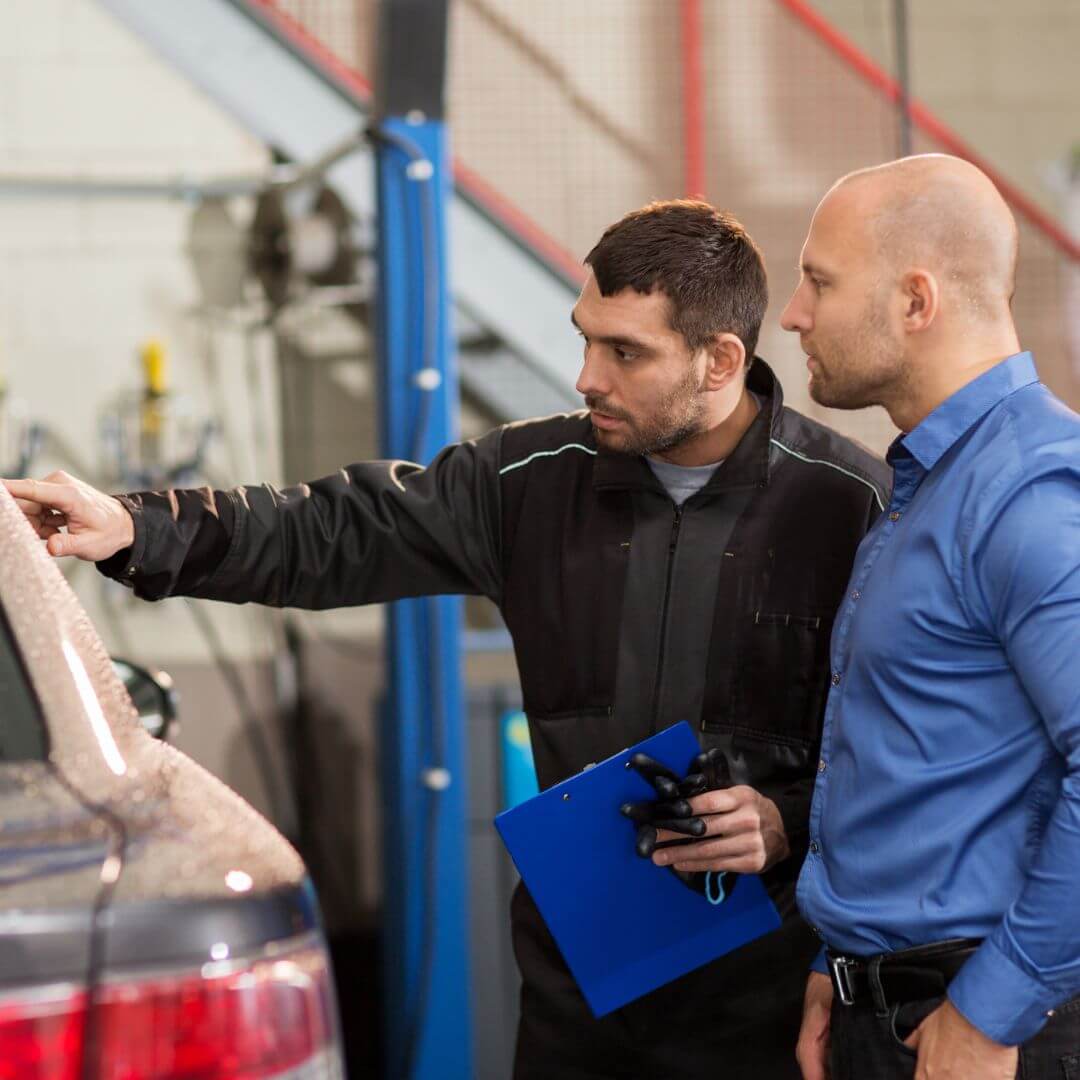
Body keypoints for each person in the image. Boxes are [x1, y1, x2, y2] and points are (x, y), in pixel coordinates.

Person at [6, 200, 889, 1079]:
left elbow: (922, 755)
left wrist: (791, 821)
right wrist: (131, 528)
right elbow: (327, 531)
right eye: (585, 338)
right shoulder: (529, 482)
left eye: (625, 352)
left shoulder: (853, 509)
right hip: (582, 988)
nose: (585, 377)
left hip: (774, 994)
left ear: (722, 360)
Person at [780, 155, 1080, 1080]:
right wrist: (855, 966)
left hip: (990, 1028)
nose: (793, 314)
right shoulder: (931, 485)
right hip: (895, 1004)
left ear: (917, 301)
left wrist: (991, 1014)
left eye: (819, 282)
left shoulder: (1028, 492)